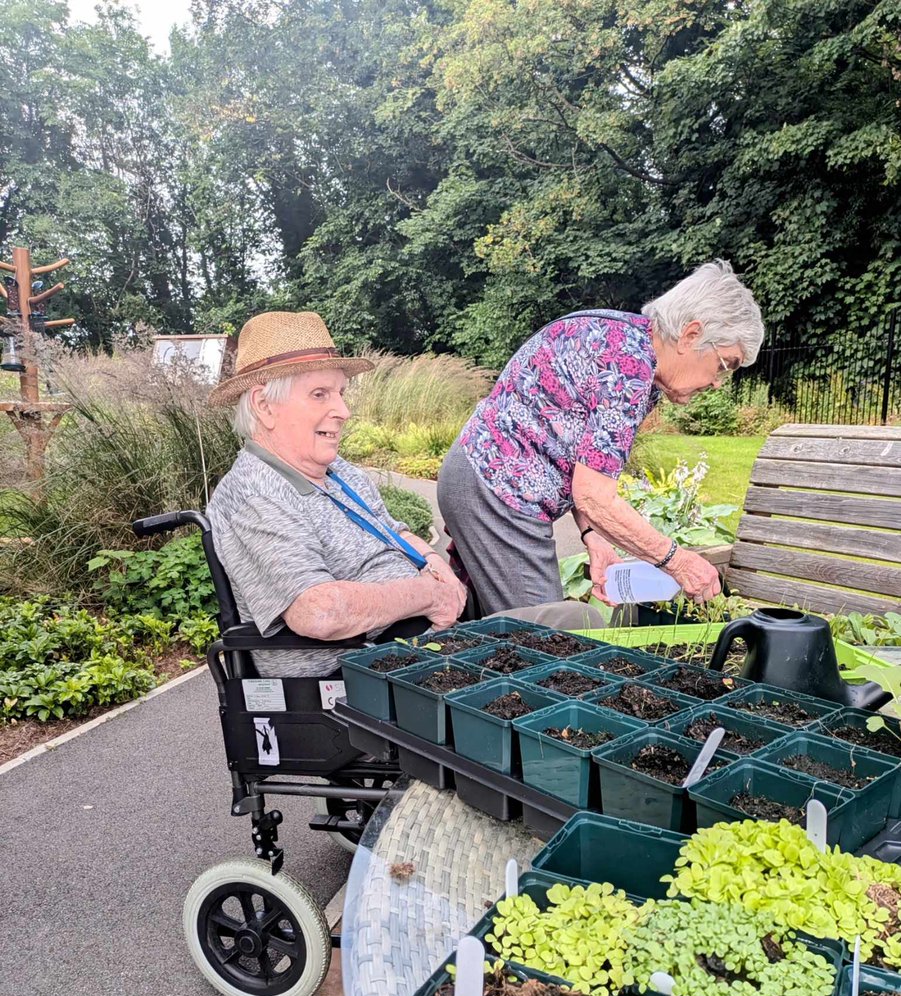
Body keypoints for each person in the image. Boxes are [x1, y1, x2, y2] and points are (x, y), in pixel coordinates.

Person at [206, 311, 601, 681]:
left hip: (424, 642)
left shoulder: (338, 472)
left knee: (578, 623)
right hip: (369, 672)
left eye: (340, 393)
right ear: (264, 406)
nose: (343, 410)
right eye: (320, 394)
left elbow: (393, 531)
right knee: (574, 636)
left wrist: (433, 562)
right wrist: (428, 595)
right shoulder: (254, 494)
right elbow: (318, 611)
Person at [437, 261, 764, 614]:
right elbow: (594, 495)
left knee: (493, 630)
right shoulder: (628, 368)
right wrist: (678, 561)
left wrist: (593, 535)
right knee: (544, 635)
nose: (717, 382)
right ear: (691, 335)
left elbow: (581, 461)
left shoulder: (628, 343)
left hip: (479, 480)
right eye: (725, 364)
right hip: (497, 493)